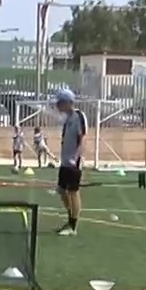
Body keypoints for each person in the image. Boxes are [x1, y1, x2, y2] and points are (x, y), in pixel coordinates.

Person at [54, 87, 88, 235]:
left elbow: (82, 139)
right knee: (61, 190)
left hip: (74, 162)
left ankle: (73, 226)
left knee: (73, 192)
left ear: (68, 102)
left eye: (60, 102)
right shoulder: (67, 120)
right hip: (65, 162)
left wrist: (77, 157)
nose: (57, 106)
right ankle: (69, 219)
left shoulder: (78, 116)